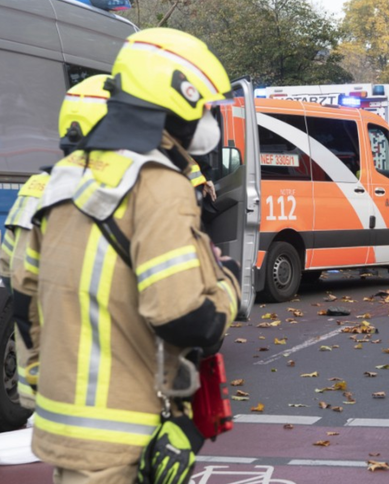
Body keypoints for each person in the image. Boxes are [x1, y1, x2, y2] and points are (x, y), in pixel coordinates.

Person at [12, 27, 241, 484]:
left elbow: (26, 298)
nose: (209, 120)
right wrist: (228, 285)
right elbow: (182, 319)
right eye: (205, 108)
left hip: (67, 423)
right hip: (121, 435)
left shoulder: (66, 174)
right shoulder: (159, 184)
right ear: (178, 102)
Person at [0, 75, 111, 413]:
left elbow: (8, 265)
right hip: (98, 383)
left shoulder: (37, 184)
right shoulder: (112, 191)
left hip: (40, 374)